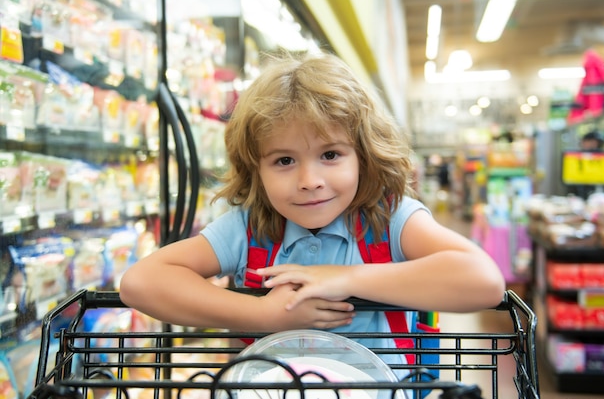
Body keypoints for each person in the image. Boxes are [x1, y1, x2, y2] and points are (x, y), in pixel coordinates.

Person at [119, 52, 505, 342]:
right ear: (256, 168)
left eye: (330, 155)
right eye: (284, 160)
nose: (310, 180)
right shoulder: (249, 227)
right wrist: (269, 315)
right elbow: (141, 282)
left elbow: (484, 281)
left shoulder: (390, 219)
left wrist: (345, 278)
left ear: (364, 155)